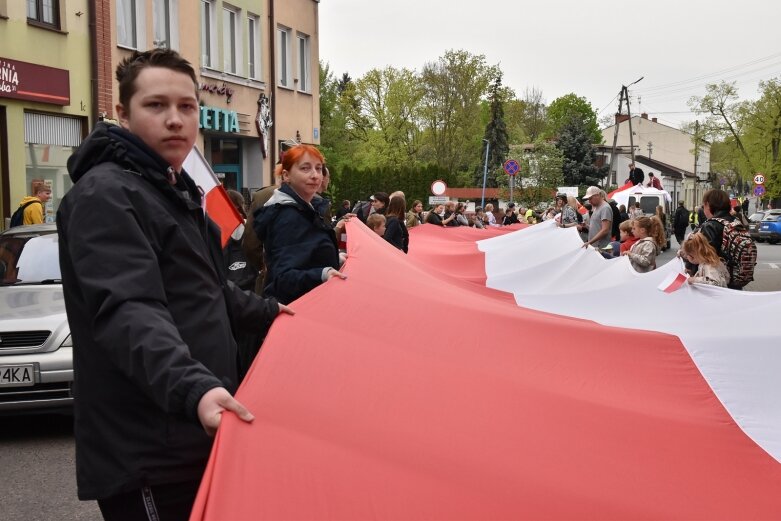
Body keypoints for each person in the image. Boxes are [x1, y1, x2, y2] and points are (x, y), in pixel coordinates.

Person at [56, 49, 292, 519]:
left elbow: (207, 294)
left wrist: (283, 313)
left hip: (188, 437)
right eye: (156, 106)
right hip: (151, 452)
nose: (175, 120)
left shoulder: (169, 192)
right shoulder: (107, 195)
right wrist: (195, 390)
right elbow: (129, 310)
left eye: (186, 107)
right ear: (122, 113)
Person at [254, 144, 348, 305]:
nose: (315, 175)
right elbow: (283, 279)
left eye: (319, 169)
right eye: (305, 168)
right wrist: (322, 274)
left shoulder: (305, 209)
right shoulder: (287, 216)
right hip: (297, 310)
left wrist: (334, 259)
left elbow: (303, 253)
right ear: (286, 175)